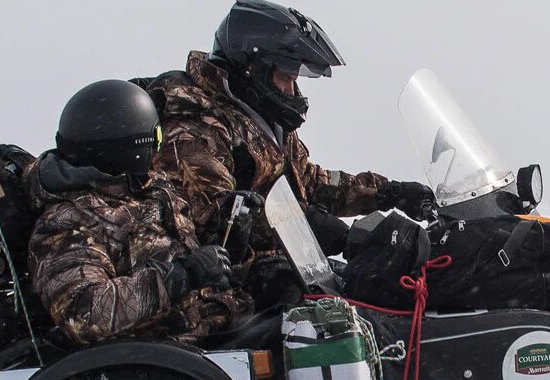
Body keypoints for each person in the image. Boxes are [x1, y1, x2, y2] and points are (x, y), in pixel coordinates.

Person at [143, 0, 437, 259]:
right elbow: (215, 218)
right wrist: (316, 228)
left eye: (295, 79)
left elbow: (310, 182)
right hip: (222, 287)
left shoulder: (263, 120)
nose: (292, 89)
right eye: (285, 77)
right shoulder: (195, 127)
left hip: (288, 268)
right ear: (250, 68)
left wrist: (388, 193)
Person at [25, 79, 251, 345]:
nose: (158, 149)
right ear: (131, 147)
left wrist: (230, 242)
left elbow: (184, 258)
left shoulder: (151, 191)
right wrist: (179, 277)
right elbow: (83, 313)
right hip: (166, 353)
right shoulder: (69, 220)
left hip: (218, 325)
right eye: (156, 138)